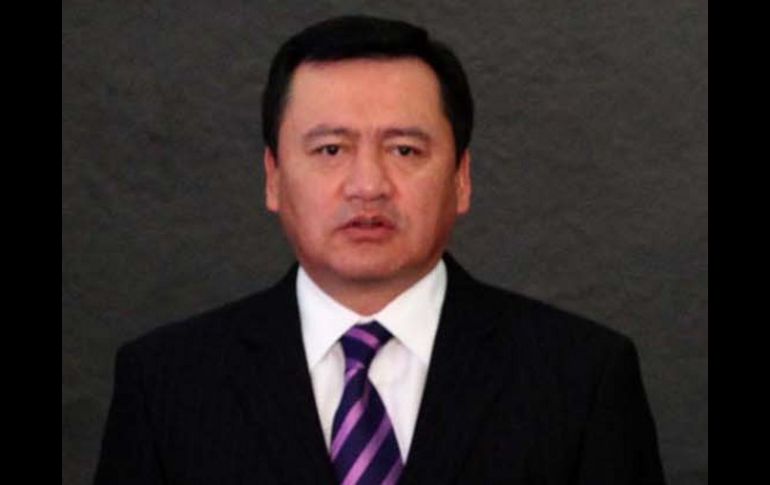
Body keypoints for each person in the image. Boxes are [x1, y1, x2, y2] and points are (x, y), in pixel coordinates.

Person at [94, 15, 666, 485]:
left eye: (405, 150)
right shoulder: (166, 383)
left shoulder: (581, 378)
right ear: (273, 177)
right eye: (330, 150)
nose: (367, 185)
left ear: (462, 178)